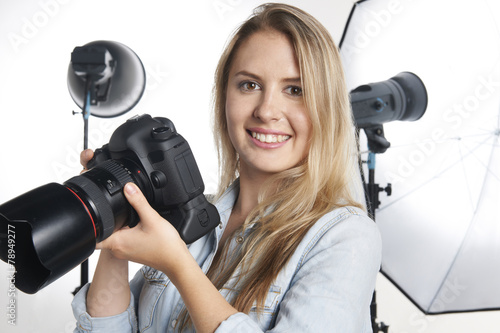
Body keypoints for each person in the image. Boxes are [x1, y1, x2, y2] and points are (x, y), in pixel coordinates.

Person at [72, 3, 381, 332]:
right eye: (250, 85)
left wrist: (177, 264)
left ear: (326, 107)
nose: (266, 110)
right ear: (224, 98)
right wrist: (116, 218)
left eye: (295, 90)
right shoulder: (185, 216)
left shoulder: (345, 237)